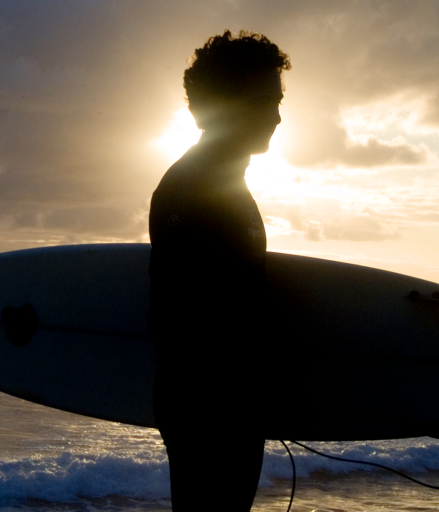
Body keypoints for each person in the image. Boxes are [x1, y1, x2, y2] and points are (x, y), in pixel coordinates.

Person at [147, 31, 290, 511]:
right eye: (265, 100)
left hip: (232, 406)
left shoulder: (226, 184)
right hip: (208, 411)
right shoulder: (193, 187)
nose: (276, 115)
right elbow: (180, 315)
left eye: (278, 100)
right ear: (227, 104)